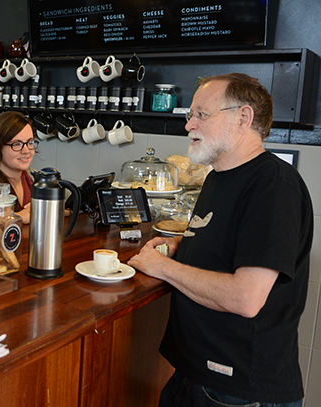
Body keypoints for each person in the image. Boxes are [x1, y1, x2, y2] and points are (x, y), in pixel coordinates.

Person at [128, 73, 313, 407]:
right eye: (190, 115)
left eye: (201, 114)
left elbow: (246, 297)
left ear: (243, 117)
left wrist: (163, 268)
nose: (189, 126)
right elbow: (229, 250)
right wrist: (181, 250)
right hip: (196, 377)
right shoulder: (218, 177)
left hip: (236, 391)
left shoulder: (273, 185)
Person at [0, 111, 37, 224]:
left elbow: (74, 203)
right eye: (16, 144)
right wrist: (18, 217)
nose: (26, 150)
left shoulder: (32, 177)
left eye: (30, 142)